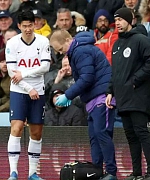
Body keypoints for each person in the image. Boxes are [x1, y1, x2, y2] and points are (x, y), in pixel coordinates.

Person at [50, 30, 117, 180]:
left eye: (61, 49)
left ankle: (111, 172)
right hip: (93, 99)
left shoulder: (80, 50)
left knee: (102, 134)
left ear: (68, 40)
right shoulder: (77, 51)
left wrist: (68, 95)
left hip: (102, 97)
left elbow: (87, 77)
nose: (61, 53)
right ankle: (98, 171)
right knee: (94, 137)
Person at [5, 10, 51, 180]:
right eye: (24, 26)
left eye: (30, 25)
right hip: (19, 91)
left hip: (38, 91)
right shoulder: (12, 43)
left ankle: (32, 172)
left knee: (36, 132)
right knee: (16, 127)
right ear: (19, 26)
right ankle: (13, 172)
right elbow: (11, 71)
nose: (28, 29)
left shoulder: (43, 41)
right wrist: (27, 87)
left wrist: (24, 74)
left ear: (35, 24)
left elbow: (45, 67)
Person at [106, 8, 150, 180]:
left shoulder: (140, 39)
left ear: (129, 21)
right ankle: (137, 172)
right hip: (122, 97)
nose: (117, 23)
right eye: (115, 20)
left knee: (142, 134)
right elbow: (115, 72)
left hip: (138, 96)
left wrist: (135, 80)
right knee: (131, 137)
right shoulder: (116, 44)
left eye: (121, 20)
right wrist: (110, 91)